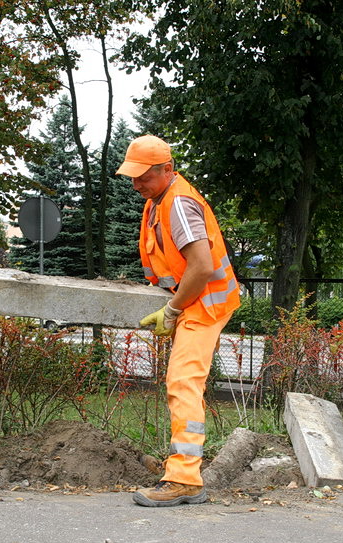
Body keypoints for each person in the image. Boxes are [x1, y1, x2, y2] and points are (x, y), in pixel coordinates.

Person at [116, 135, 240, 507]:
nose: (137, 184)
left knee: (183, 383)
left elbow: (201, 267)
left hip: (203, 307)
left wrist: (172, 310)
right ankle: (181, 468)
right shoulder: (160, 199)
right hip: (193, 304)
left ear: (167, 170)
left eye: (144, 177)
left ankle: (185, 478)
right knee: (182, 382)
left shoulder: (179, 204)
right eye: (133, 177)